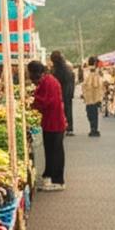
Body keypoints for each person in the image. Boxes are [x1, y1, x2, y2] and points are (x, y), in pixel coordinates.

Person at [29, 60, 67, 191]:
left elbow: (44, 101)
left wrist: (32, 105)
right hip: (51, 120)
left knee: (55, 151)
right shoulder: (49, 80)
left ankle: (58, 180)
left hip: (54, 121)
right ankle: (48, 176)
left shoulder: (48, 82)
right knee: (50, 150)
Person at [50, 51, 75, 136]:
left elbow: (56, 81)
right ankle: (69, 127)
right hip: (68, 92)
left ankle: (63, 127)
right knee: (68, 110)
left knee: (62, 110)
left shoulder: (57, 69)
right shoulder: (66, 68)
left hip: (62, 92)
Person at [82, 56, 105, 137]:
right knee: (94, 113)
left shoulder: (87, 71)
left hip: (89, 97)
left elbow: (85, 84)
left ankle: (93, 128)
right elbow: (99, 84)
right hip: (95, 96)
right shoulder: (94, 72)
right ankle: (94, 129)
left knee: (91, 113)